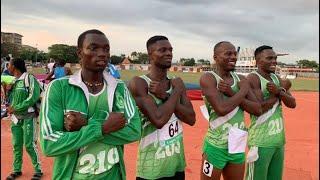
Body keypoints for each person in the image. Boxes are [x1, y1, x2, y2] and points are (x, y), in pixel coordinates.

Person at [39, 29, 141, 180]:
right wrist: (103, 127)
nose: (102, 54)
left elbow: (134, 130)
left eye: (106, 49)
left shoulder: (119, 87)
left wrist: (86, 123)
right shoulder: (59, 88)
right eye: (94, 48)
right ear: (80, 53)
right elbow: (49, 143)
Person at [128, 35, 196, 180]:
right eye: (162, 50)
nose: (168, 53)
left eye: (170, 50)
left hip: (177, 164)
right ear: (150, 55)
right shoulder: (139, 83)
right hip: (151, 168)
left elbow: (191, 118)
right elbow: (158, 120)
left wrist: (166, 96)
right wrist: (175, 92)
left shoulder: (176, 83)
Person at [199, 41, 262, 180]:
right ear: (215, 57)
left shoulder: (240, 79)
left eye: (234, 53)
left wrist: (232, 93)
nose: (233, 56)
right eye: (228, 53)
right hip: (215, 146)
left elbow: (257, 109)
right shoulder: (209, 78)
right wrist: (243, 90)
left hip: (237, 145)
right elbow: (221, 109)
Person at [245, 45, 296, 180]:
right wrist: (277, 94)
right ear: (258, 61)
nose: (274, 61)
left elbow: (292, 104)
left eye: (275, 58)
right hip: (260, 142)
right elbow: (258, 109)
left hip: (278, 140)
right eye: (269, 58)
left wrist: (279, 91)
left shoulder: (276, 78)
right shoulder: (253, 79)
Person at [5, 58, 43, 180]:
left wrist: (16, 107)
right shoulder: (14, 81)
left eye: (9, 65)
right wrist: (8, 91)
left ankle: (38, 170)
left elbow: (33, 97)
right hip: (16, 118)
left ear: (14, 66)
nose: (7, 67)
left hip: (28, 117)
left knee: (29, 145)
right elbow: (10, 101)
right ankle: (17, 169)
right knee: (16, 145)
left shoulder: (29, 79)